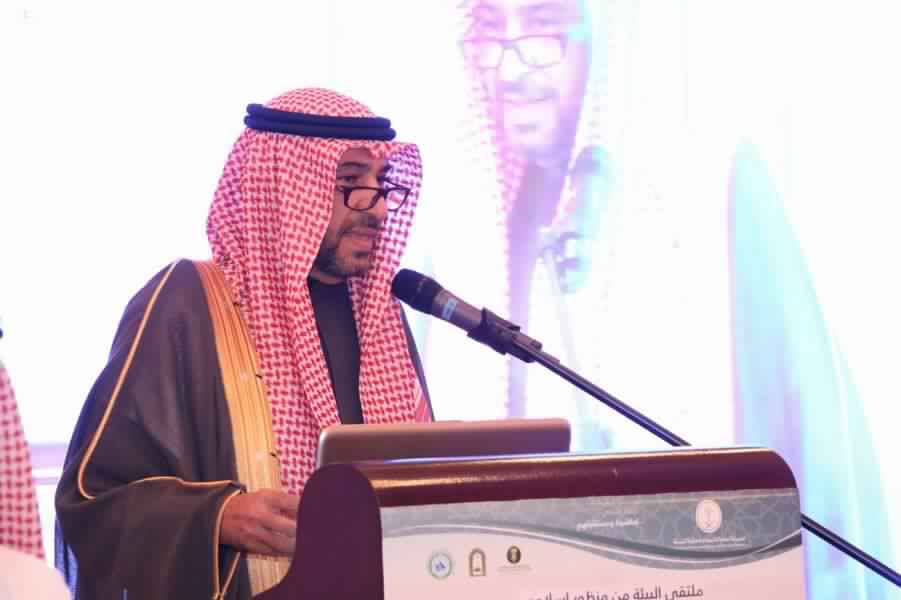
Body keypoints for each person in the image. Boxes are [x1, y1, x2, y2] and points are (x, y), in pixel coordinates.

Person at [54, 88, 433, 600]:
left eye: (382, 183)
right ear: (283, 189)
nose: (380, 208)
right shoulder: (187, 303)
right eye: (349, 183)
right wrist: (219, 516)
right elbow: (93, 500)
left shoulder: (383, 318)